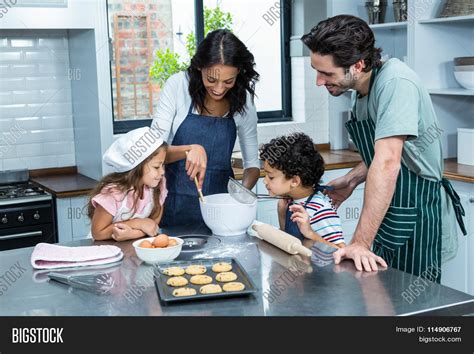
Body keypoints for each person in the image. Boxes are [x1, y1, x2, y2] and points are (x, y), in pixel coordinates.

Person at [301, 15, 466, 281]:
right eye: (316, 70)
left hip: (416, 210)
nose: (319, 81)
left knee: (416, 307)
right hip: (393, 208)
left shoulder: (395, 84)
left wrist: (360, 243)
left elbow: (389, 162)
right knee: (382, 293)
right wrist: (353, 179)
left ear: (358, 65)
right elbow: (388, 152)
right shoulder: (362, 89)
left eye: (326, 73)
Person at [151, 29, 261, 227]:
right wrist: (189, 149)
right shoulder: (178, 86)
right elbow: (152, 153)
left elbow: (252, 165)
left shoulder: (243, 100)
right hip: (171, 207)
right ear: (199, 67)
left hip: (220, 215)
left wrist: (237, 199)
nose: (219, 89)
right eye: (211, 79)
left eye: (229, 81)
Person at [259, 132, 345, 248]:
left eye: (271, 177)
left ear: (294, 181)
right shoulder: (291, 201)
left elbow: (341, 250)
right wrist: (282, 214)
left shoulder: (320, 210)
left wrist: (310, 233)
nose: (265, 181)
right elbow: (288, 240)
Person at [87, 127, 168, 241]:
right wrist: (137, 223)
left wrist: (132, 234)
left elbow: (153, 225)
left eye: (163, 165)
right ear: (137, 167)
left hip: (132, 250)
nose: (162, 172)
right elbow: (98, 233)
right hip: (104, 250)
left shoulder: (158, 187)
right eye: (156, 167)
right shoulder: (114, 193)